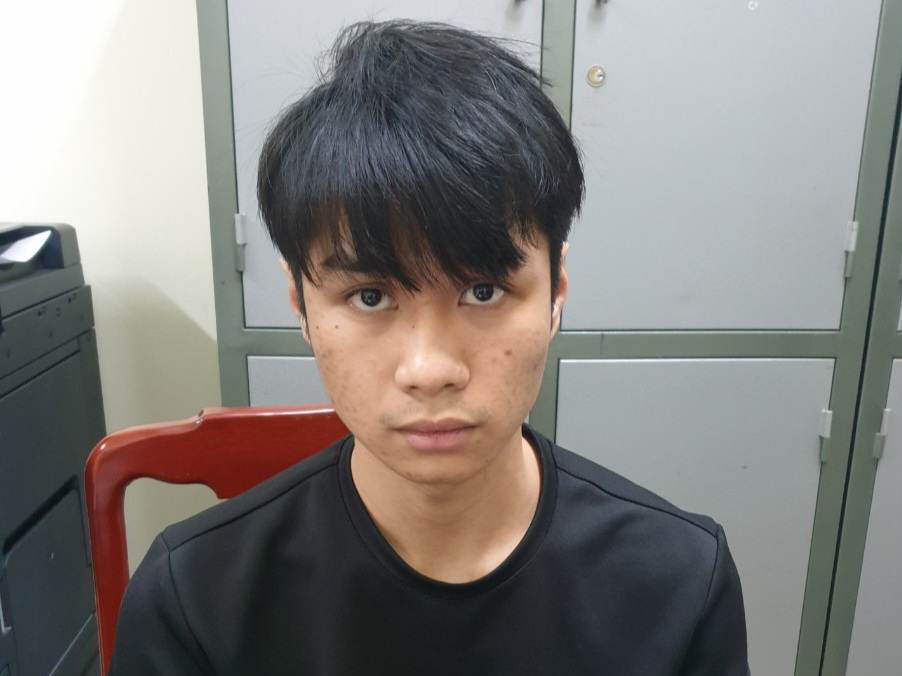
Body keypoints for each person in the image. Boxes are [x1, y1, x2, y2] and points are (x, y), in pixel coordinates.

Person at [109, 19, 750, 675]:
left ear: (556, 292)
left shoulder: (679, 583)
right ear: (300, 304)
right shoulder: (193, 603)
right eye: (369, 297)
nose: (430, 370)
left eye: (482, 291)